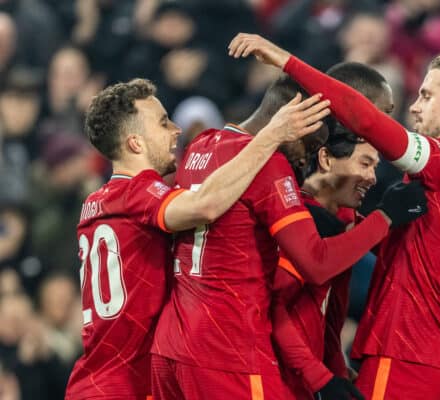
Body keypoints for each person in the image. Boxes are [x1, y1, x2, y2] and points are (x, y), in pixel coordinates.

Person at [229, 34, 440, 399]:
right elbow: (415, 252)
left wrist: (285, 59)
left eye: (425, 95)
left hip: (406, 351)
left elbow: (365, 119)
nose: (415, 108)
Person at [150, 76, 423, 400]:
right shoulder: (269, 163)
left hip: (171, 345)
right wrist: (385, 217)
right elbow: (316, 262)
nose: (305, 159)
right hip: (227, 349)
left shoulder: (202, 144)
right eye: (310, 143)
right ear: (294, 117)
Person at [65, 78, 332, 399]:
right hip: (125, 385)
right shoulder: (137, 193)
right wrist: (270, 136)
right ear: (135, 143)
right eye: (163, 122)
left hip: (97, 380)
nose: (176, 130)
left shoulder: (98, 201)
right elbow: (205, 204)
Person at [272, 62, 426, 400]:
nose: (372, 177)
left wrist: (336, 374)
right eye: (365, 163)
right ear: (325, 159)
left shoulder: (339, 223)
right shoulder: (297, 220)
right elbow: (270, 311)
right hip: (276, 383)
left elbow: (329, 322)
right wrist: (321, 379)